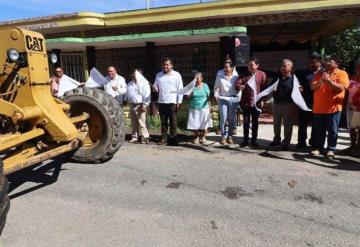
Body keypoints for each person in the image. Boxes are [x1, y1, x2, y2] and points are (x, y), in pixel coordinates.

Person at [311, 55, 350, 158]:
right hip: (319, 107)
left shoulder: (342, 73)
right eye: (327, 61)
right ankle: (319, 148)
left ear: (337, 64)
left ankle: (331, 149)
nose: (327, 63)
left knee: (333, 130)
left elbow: (341, 88)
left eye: (330, 61)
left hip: (333, 108)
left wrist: (329, 81)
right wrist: (321, 81)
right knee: (319, 130)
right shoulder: (320, 73)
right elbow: (312, 87)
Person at [235, 58, 267, 147]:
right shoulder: (244, 74)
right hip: (246, 102)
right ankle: (245, 140)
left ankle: (254, 140)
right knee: (245, 122)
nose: (250, 67)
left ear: (257, 66)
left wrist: (263, 100)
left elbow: (264, 88)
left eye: (252, 65)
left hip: (257, 102)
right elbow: (237, 84)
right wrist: (239, 86)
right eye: (249, 65)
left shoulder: (262, 74)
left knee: (255, 122)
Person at [153, 57, 183, 145]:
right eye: (164, 65)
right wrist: (155, 88)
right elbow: (156, 87)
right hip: (161, 102)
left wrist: (179, 102)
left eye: (167, 64)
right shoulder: (158, 75)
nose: (165, 66)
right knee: (163, 122)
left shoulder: (177, 75)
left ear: (171, 65)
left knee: (173, 122)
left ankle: (173, 139)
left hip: (172, 102)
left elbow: (180, 89)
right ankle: (164, 138)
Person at [269, 59, 297, 150]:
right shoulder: (277, 77)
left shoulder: (294, 79)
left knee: (287, 125)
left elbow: (298, 92)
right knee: (276, 124)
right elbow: (270, 87)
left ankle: (286, 143)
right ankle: (276, 140)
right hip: (276, 104)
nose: (282, 67)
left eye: (285, 66)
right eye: (282, 65)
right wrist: (272, 90)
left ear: (291, 67)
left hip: (288, 105)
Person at [295, 52, 322, 150]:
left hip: (318, 104)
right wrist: (299, 86)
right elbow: (297, 81)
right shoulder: (303, 72)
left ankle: (314, 143)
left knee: (316, 125)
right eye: (309, 62)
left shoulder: (323, 73)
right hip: (304, 103)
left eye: (313, 62)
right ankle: (301, 143)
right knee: (302, 124)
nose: (310, 64)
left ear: (319, 62)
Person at [214, 61, 239, 145]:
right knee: (224, 118)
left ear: (231, 68)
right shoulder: (220, 74)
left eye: (227, 67)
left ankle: (230, 136)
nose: (224, 69)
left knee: (231, 119)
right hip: (222, 98)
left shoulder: (236, 75)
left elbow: (238, 86)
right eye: (224, 67)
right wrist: (216, 94)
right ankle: (223, 137)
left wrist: (239, 93)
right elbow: (216, 86)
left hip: (233, 98)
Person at [187, 72, 213, 145]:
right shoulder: (192, 86)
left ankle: (203, 138)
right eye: (195, 78)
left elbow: (208, 98)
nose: (196, 79)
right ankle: (196, 137)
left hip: (204, 108)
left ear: (201, 78)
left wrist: (210, 107)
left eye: (197, 78)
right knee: (194, 124)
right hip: (194, 108)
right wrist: (191, 93)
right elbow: (187, 97)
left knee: (205, 124)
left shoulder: (205, 86)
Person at [127, 69, 151, 144]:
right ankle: (134, 137)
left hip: (140, 104)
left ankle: (145, 137)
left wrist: (145, 105)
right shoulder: (130, 83)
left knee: (142, 122)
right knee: (133, 122)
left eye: (135, 73)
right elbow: (128, 93)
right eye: (133, 73)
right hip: (132, 104)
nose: (134, 75)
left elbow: (147, 95)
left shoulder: (144, 83)